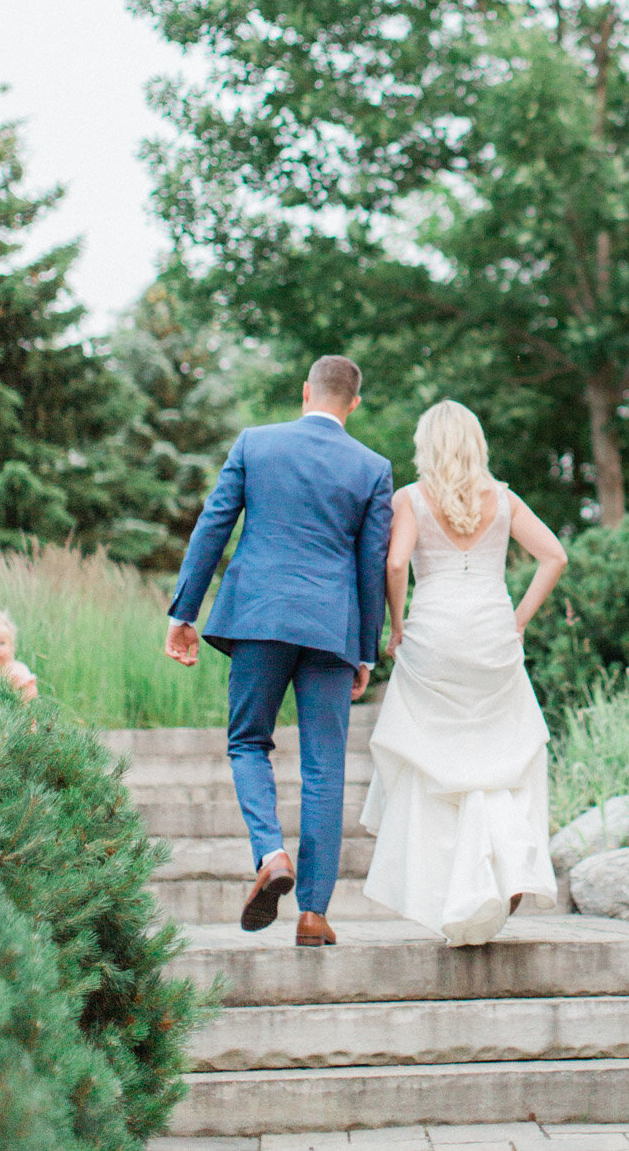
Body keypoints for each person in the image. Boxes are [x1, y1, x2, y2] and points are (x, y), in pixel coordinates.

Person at [165, 355, 392, 947]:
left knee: (247, 742)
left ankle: (270, 853)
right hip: (330, 629)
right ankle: (313, 914)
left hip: (259, 616)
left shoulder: (255, 444)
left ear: (304, 393)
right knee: (326, 767)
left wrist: (184, 612)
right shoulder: (372, 468)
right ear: (354, 404)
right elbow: (372, 566)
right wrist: (365, 651)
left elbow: (213, 526)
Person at [362, 399, 567, 946]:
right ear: (477, 443)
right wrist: (518, 620)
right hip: (492, 637)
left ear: (427, 445)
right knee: (499, 758)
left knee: (436, 764)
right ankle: (506, 870)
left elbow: (395, 563)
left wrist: (397, 624)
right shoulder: (503, 499)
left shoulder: (410, 497)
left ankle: (447, 888)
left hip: (434, 638)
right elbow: (555, 557)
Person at [0, 610, 37, 701]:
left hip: (13, 711)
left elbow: (30, 694)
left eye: (1, 643)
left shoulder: (17, 670)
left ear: (11, 647)